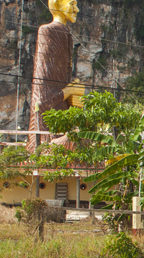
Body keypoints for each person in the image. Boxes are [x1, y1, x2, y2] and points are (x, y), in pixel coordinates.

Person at [27, 0, 83, 152]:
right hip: (45, 140)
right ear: (57, 5)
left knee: (86, 135)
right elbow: (41, 102)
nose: (76, 9)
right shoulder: (47, 31)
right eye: (72, 4)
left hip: (61, 128)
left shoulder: (67, 35)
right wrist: (69, 91)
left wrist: (74, 99)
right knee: (74, 138)